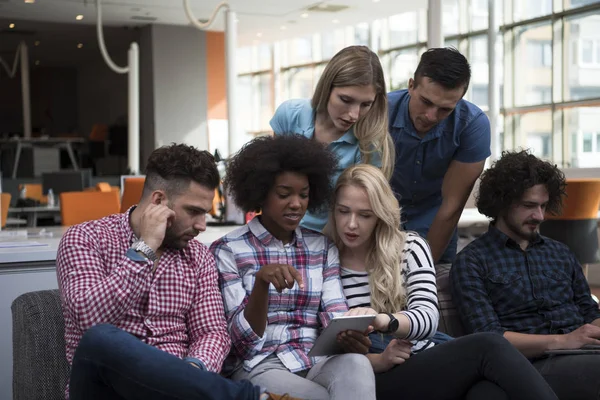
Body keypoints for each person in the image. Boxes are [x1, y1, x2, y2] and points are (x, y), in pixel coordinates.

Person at [56, 144, 295, 400]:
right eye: (193, 211)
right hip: (106, 391)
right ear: (159, 201)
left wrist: (190, 373)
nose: (202, 225)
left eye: (205, 213)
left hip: (177, 393)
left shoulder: (198, 256)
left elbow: (212, 333)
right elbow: (88, 317)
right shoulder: (85, 239)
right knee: (99, 338)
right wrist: (145, 248)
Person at [327, 164, 558, 400]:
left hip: (428, 359)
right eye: (343, 211)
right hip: (374, 374)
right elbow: (320, 346)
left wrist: (383, 320)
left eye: (364, 215)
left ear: (380, 215)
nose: (351, 224)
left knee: (488, 394)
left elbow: (428, 317)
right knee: (489, 344)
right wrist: (378, 360)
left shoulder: (409, 247)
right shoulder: (323, 258)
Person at [211, 134, 376, 400]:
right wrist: (261, 284)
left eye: (304, 195)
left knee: (358, 363)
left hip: (314, 359)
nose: (296, 204)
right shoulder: (228, 250)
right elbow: (240, 343)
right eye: (284, 194)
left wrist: (347, 334)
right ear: (261, 192)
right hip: (259, 365)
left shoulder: (321, 247)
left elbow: (334, 312)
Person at [451, 150, 600, 400]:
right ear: (502, 202)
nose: (539, 216)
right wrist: (565, 341)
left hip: (584, 355)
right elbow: (490, 339)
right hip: (528, 366)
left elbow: (589, 312)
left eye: (543, 206)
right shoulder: (472, 262)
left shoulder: (561, 253)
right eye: (529, 206)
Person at [270, 45, 394, 232]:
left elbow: (360, 215)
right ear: (327, 88)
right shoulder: (290, 114)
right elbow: (272, 182)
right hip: (279, 232)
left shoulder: (370, 146)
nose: (354, 114)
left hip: (331, 243)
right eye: (346, 100)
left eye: (365, 104)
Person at [388, 47, 491, 264]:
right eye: (426, 102)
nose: (431, 116)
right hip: (381, 224)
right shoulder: (380, 112)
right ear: (411, 86)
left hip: (436, 230)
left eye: (445, 109)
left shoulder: (472, 125)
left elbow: (451, 207)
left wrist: (423, 269)